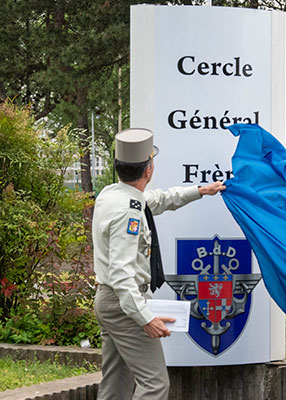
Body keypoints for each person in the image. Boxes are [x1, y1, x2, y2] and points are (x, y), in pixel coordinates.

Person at [92, 128, 225, 400]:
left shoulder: (113, 195)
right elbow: (121, 274)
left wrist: (200, 190)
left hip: (109, 301)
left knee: (116, 383)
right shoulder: (127, 212)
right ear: (149, 170)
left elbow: (160, 200)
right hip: (124, 304)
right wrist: (145, 318)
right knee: (154, 385)